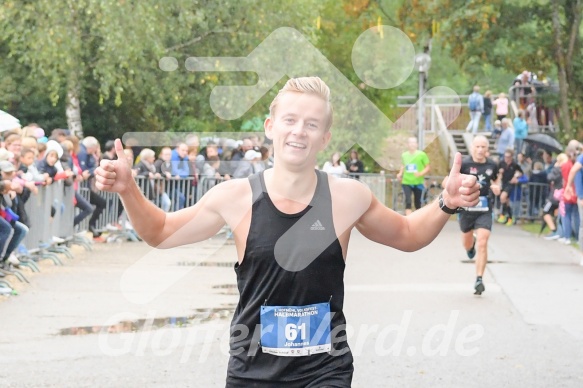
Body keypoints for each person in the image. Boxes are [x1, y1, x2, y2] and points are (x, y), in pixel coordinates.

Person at [95, 77, 480, 386]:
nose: (300, 131)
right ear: (271, 127)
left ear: (325, 138)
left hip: (324, 371)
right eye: (291, 120)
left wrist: (446, 202)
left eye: (312, 124)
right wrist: (129, 189)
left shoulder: (347, 197)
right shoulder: (235, 197)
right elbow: (160, 231)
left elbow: (408, 234)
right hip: (252, 371)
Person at [458, 135, 500, 295]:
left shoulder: (492, 165)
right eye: (478, 147)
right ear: (472, 148)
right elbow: (448, 181)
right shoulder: (464, 163)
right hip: (467, 209)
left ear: (487, 149)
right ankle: (470, 247)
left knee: (483, 242)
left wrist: (496, 187)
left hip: (484, 209)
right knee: (467, 244)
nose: (480, 150)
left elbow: (496, 180)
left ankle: (479, 279)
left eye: (483, 147)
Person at [397, 137, 430, 215]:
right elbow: (403, 165)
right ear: (407, 144)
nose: (412, 144)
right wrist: (400, 173)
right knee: (408, 201)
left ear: (417, 144)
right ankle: (408, 221)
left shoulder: (422, 154)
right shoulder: (404, 155)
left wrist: (420, 173)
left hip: (418, 182)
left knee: (417, 203)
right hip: (406, 181)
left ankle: (417, 220)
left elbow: (428, 167)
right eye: (410, 142)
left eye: (414, 142)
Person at [496, 149, 523, 226]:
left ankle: (502, 215)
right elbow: (496, 172)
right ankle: (510, 218)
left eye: (508, 157)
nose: (506, 158)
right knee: (506, 202)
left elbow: (521, 173)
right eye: (505, 156)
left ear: (511, 157)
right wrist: (499, 172)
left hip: (510, 183)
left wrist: (516, 176)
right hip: (503, 183)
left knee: (502, 197)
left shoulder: (514, 165)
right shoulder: (501, 163)